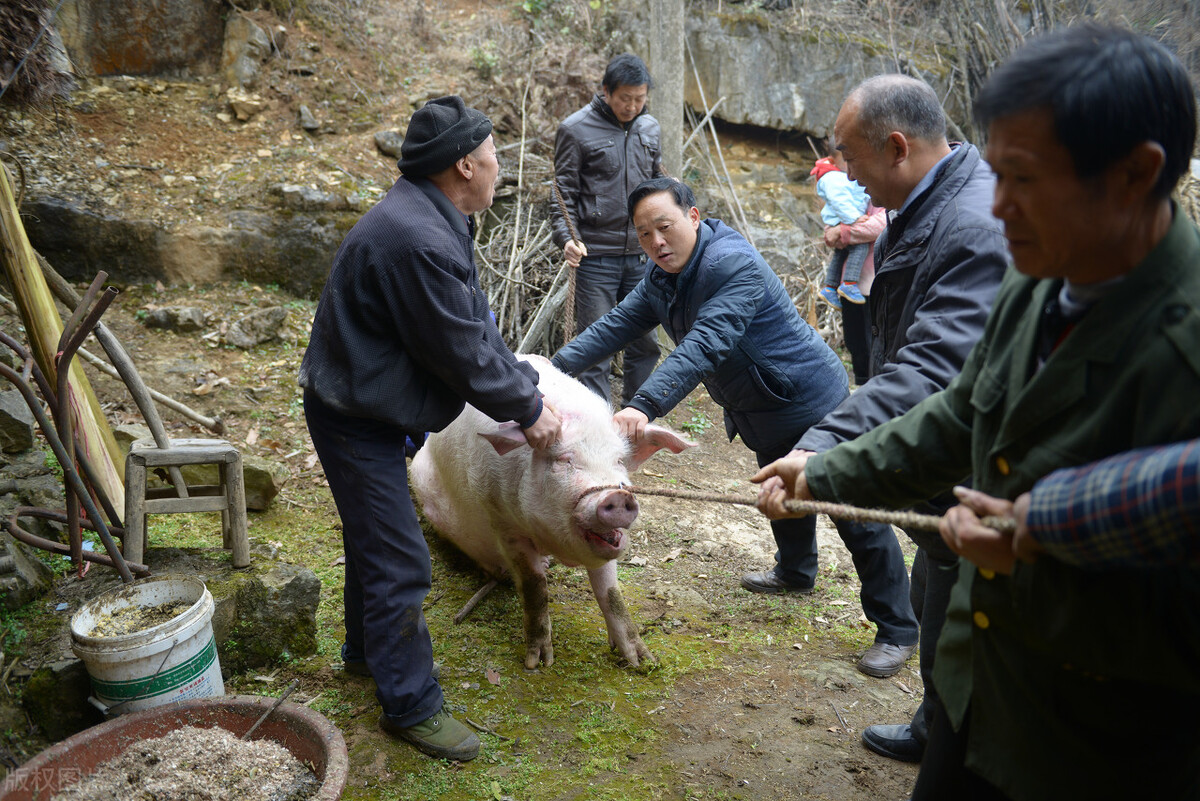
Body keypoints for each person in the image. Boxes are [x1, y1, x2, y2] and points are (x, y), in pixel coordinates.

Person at [755, 24, 1200, 800]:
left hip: (1098, 747)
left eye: (1024, 179)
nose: (998, 205)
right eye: (994, 173)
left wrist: (1037, 565)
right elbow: (960, 414)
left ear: (1135, 174)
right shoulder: (1041, 274)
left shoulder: (1184, 354)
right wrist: (823, 470)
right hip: (977, 687)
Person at [743, 73, 1008, 744]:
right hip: (931, 457)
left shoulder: (973, 226)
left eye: (849, 154)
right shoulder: (918, 208)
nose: (844, 172)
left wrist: (821, 444)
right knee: (930, 581)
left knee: (951, 597)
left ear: (895, 147)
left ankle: (948, 738)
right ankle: (935, 719)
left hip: (970, 462)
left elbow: (932, 368)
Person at [298, 95, 562, 762]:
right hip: (357, 417)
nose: (502, 167)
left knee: (375, 540)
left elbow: (478, 330)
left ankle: (366, 653)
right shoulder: (416, 236)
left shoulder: (434, 216)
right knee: (399, 558)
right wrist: (530, 412)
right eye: (495, 157)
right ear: (465, 164)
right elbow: (462, 354)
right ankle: (410, 703)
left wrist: (526, 389)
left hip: (372, 403)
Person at [552, 177, 859, 626]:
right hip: (762, 402)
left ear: (693, 217)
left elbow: (705, 345)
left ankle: (896, 627)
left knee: (849, 510)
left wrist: (643, 405)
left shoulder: (734, 265)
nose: (656, 242)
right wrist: (549, 369)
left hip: (807, 396)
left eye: (665, 227)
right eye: (644, 234)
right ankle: (795, 572)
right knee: (779, 485)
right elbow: (615, 325)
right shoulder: (662, 277)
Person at [551, 52, 665, 406]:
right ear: (605, 91)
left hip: (643, 256)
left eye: (639, 99)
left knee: (646, 343)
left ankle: (638, 418)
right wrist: (568, 239)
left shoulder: (650, 128)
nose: (632, 106)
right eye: (624, 98)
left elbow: (656, 182)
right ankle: (596, 427)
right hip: (596, 257)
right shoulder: (575, 129)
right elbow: (561, 194)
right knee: (596, 346)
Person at [826, 202, 887, 386]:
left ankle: (877, 386)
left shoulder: (882, 197)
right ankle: (862, 385)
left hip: (873, 286)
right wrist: (841, 230)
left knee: (874, 343)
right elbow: (829, 232)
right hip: (848, 288)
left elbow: (879, 226)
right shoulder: (851, 194)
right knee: (855, 341)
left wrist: (843, 231)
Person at [812, 148, 871, 307]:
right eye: (845, 160)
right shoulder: (833, 178)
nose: (848, 164)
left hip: (840, 221)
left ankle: (830, 287)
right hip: (844, 219)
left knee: (840, 253)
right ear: (832, 160)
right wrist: (854, 218)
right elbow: (840, 201)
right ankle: (849, 283)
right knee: (859, 247)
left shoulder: (837, 175)